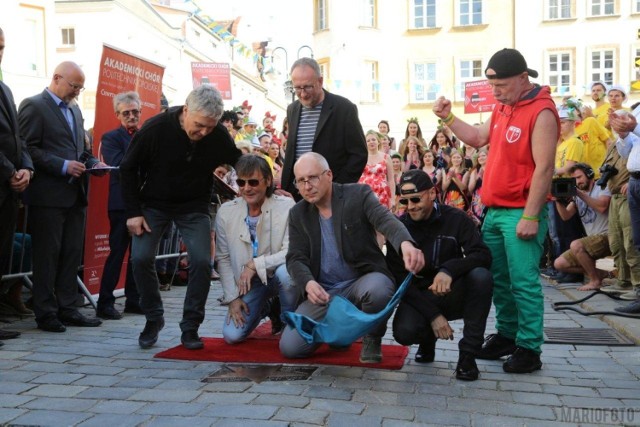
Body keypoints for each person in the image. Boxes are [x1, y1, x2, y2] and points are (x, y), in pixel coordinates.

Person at [433, 48, 559, 373]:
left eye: (500, 85)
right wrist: (447, 117)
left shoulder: (542, 111)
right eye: (492, 85)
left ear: (522, 78)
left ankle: (530, 348)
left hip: (521, 211)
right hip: (495, 210)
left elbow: (545, 168)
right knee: (499, 279)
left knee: (523, 281)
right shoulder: (503, 106)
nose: (495, 92)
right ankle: (506, 335)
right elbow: (476, 138)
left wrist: (531, 215)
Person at [119, 85, 242, 350]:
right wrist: (133, 213)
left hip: (194, 205)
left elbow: (238, 161)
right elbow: (127, 169)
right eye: (199, 125)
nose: (203, 132)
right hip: (154, 204)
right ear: (186, 111)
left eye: (210, 127)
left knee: (200, 261)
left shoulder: (217, 134)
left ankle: (191, 327)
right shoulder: (155, 129)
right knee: (140, 258)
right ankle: (153, 317)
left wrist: (262, 186)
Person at [280, 152, 424, 363]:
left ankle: (372, 337)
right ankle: (340, 331)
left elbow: (385, 220)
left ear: (328, 175)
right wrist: (308, 283)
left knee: (379, 289)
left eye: (312, 177)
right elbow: (295, 257)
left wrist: (405, 243)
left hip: (360, 283)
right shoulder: (298, 213)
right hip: (324, 292)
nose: (307, 186)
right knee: (291, 348)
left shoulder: (357, 195)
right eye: (301, 181)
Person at [19, 61, 108, 333]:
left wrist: (93, 163)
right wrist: (61, 165)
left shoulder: (75, 110)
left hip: (75, 195)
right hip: (48, 196)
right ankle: (45, 312)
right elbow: (26, 149)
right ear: (57, 78)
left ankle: (69, 308)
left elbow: (80, 148)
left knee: (71, 254)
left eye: (80, 88)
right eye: (74, 86)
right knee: (48, 256)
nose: (77, 93)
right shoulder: (34, 106)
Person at [386, 170, 493, 381]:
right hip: (420, 295)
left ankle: (468, 356)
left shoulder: (456, 218)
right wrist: (433, 315)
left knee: (481, 277)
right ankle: (427, 340)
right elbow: (398, 278)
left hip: (452, 290)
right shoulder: (398, 228)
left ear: (432, 194)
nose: (411, 206)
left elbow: (482, 255)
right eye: (404, 201)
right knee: (403, 333)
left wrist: (449, 270)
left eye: (416, 199)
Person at [216, 154, 297, 343]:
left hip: (278, 275)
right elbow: (224, 258)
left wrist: (255, 264)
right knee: (232, 336)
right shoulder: (226, 212)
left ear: (268, 181)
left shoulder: (286, 206)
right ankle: (267, 307)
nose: (246, 188)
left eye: (253, 182)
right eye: (241, 182)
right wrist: (232, 298)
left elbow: (291, 251)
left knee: (287, 274)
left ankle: (289, 323)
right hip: (250, 284)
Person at [280, 57, 367, 200]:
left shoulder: (344, 108)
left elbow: (358, 154)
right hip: (297, 195)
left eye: (308, 87)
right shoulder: (292, 109)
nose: (302, 93)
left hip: (331, 196)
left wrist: (336, 188)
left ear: (320, 81)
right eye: (297, 88)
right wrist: (286, 188)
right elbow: (292, 152)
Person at [97, 91, 143, 319]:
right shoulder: (111, 137)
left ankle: (134, 300)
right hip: (121, 204)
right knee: (117, 253)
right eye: (127, 113)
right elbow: (119, 165)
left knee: (140, 255)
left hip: (143, 203)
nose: (132, 116)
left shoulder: (146, 135)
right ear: (118, 114)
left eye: (135, 112)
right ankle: (105, 302)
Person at [0, 27, 33, 342]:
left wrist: (26, 167)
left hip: (9, 191)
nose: (0, 52)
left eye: (2, 46)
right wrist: (10, 169)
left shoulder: (6, 90)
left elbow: (18, 138)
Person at [553, 163, 611, 291]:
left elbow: (602, 206)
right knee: (559, 263)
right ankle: (601, 272)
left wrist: (579, 194)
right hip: (592, 240)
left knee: (576, 245)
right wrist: (558, 200)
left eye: (579, 177)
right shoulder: (578, 195)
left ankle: (595, 280)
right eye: (574, 179)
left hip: (607, 236)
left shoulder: (602, 186)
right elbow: (566, 216)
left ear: (590, 174)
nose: (577, 182)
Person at [609, 103, 640, 313]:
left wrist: (633, 127)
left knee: (632, 238)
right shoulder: (637, 110)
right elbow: (629, 149)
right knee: (637, 240)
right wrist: (623, 134)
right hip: (636, 180)